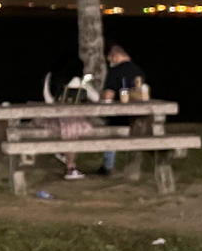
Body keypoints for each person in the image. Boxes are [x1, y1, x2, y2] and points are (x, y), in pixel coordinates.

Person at [42, 55, 97, 180]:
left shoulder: (50, 77)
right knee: (73, 130)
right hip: (72, 119)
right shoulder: (79, 80)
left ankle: (64, 155)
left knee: (70, 129)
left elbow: (48, 100)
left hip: (53, 118)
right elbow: (96, 98)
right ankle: (70, 167)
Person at [97, 45, 146, 176]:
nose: (110, 63)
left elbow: (108, 95)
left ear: (115, 56)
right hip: (137, 117)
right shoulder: (138, 71)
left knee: (110, 132)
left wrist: (100, 95)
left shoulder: (115, 71)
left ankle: (107, 166)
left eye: (110, 60)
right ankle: (132, 166)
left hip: (118, 117)